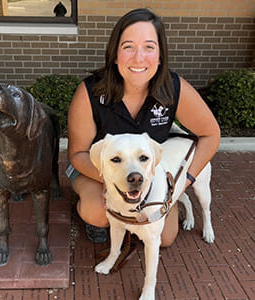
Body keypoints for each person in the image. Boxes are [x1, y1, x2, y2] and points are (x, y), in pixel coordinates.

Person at [67, 8, 220, 245]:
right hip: (97, 168)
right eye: (128, 46)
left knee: (166, 238)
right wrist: (112, 180)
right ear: (115, 54)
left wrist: (182, 183)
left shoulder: (172, 87)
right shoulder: (90, 92)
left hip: (148, 174)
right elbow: (77, 154)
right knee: (98, 211)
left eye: (149, 47)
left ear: (160, 56)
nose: (139, 58)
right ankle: (99, 216)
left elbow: (211, 134)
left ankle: (147, 209)